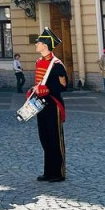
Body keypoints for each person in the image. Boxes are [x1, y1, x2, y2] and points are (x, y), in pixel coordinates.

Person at [29, 27, 68, 182]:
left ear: (45, 45)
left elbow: (64, 86)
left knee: (54, 138)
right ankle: (48, 171)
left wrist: (48, 89)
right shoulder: (39, 61)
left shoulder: (57, 64)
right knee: (44, 137)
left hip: (53, 104)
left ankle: (58, 173)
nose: (36, 45)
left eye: (38, 42)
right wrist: (34, 91)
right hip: (41, 104)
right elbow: (38, 82)